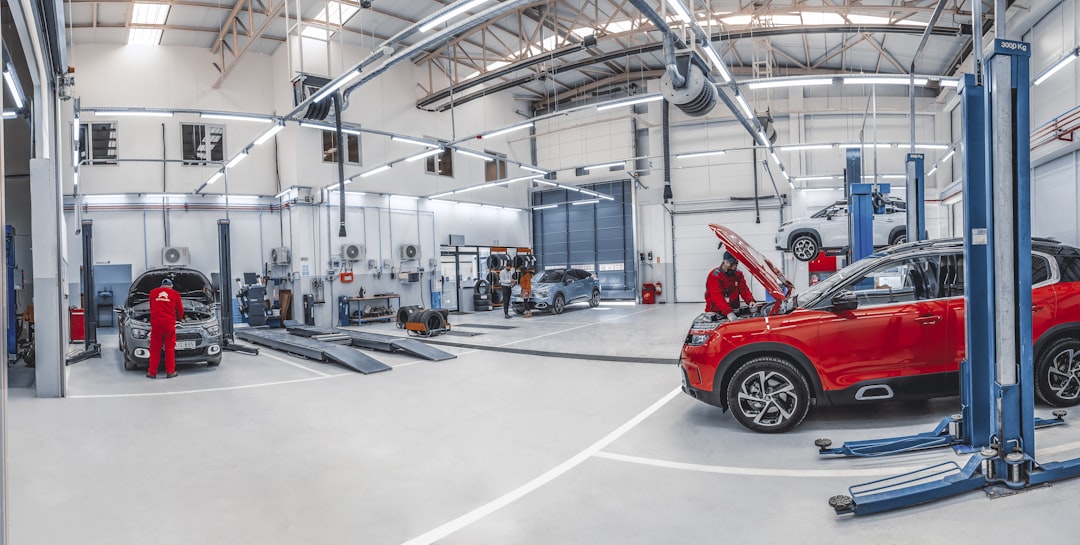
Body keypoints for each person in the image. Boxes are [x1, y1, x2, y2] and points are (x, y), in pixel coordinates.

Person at [147, 277, 184, 379]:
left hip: (156, 324)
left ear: (161, 286)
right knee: (169, 348)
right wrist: (180, 319)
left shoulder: (152, 293)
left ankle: (152, 372)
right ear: (171, 286)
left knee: (155, 349)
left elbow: (151, 307)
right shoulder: (175, 294)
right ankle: (170, 372)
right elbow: (180, 310)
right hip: (169, 324)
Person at [705, 251, 755, 321]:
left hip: (734, 310)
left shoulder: (738, 274)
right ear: (723, 263)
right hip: (716, 312)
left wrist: (750, 301)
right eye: (730, 264)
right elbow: (717, 296)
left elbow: (744, 290)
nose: (733, 268)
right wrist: (728, 312)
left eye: (735, 265)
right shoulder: (714, 276)